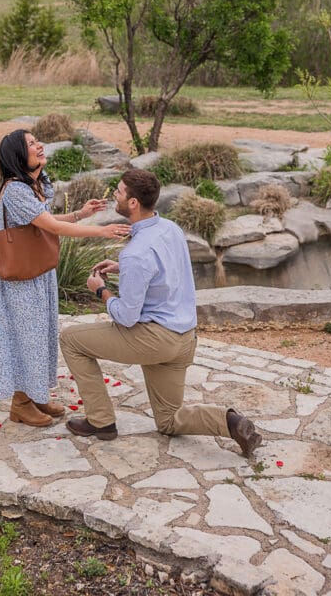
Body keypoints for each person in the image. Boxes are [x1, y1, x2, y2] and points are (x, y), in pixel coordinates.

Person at [59, 168, 262, 458]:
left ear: (132, 203)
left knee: (70, 339)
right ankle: (230, 422)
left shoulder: (136, 252)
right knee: (168, 421)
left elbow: (126, 317)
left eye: (118, 191)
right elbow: (164, 270)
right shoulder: (170, 229)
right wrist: (122, 268)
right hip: (184, 339)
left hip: (153, 340)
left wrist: (100, 290)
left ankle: (100, 421)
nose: (114, 195)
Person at [0, 129, 130, 429]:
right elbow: (53, 227)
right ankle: (20, 403)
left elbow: (44, 224)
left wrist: (80, 214)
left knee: (40, 333)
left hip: (36, 271)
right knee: (26, 336)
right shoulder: (15, 191)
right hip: (20, 278)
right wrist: (101, 230)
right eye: (31, 144)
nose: (39, 145)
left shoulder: (33, 186)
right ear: (17, 155)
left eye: (37, 141)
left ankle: (35, 394)